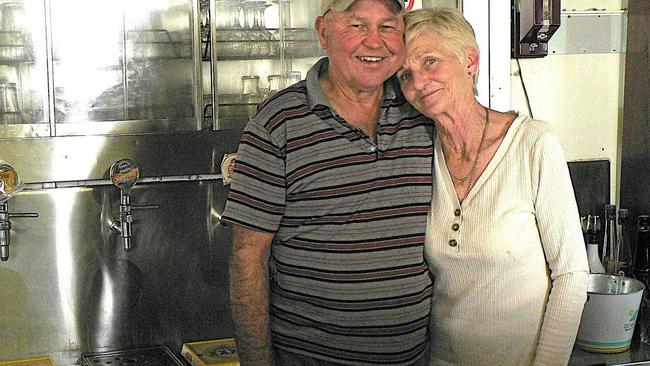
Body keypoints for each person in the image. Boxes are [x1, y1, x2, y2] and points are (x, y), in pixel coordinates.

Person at [220, 0, 435, 365]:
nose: (374, 41)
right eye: (356, 26)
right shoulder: (277, 124)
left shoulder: (422, 113)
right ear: (323, 32)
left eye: (387, 26)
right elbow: (247, 259)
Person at [396, 7, 589, 366]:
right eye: (405, 74)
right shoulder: (421, 155)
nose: (418, 83)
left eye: (430, 61)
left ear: (470, 61)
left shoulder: (532, 144)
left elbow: (572, 275)